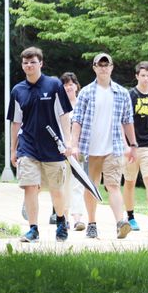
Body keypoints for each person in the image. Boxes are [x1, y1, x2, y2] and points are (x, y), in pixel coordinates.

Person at [8, 47, 73, 243]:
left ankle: (61, 221)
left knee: (56, 190)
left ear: (41, 64)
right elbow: (15, 122)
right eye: (25, 62)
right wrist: (13, 149)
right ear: (22, 65)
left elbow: (64, 114)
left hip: (53, 147)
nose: (29, 65)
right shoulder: (18, 90)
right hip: (28, 146)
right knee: (30, 187)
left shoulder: (54, 85)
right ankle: (33, 229)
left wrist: (68, 141)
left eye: (33, 62)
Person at [71, 53, 137, 239]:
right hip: (89, 148)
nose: (103, 67)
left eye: (106, 64)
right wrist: (73, 144)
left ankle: (120, 223)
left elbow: (127, 121)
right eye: (99, 65)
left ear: (112, 67)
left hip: (113, 147)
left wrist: (133, 144)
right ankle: (92, 222)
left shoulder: (122, 93)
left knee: (113, 185)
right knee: (90, 187)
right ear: (94, 68)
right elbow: (77, 121)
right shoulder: (86, 92)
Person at [123, 61, 148, 233]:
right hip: (132, 146)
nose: (145, 78)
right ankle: (130, 217)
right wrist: (126, 145)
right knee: (130, 182)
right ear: (137, 76)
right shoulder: (129, 95)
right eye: (142, 75)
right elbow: (121, 121)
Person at [60, 72, 86, 231]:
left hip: (78, 151)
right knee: (63, 185)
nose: (68, 87)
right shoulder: (59, 107)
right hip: (61, 151)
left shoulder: (81, 105)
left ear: (76, 86)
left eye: (71, 84)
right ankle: (63, 217)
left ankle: (77, 219)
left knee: (78, 184)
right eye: (65, 84)